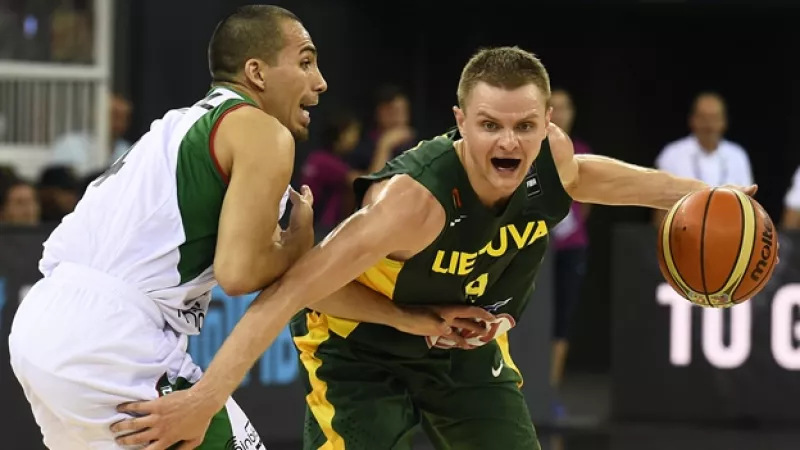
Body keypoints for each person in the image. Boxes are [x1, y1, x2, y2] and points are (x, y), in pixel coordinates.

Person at [111, 46, 757, 450]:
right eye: (491, 126)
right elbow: (290, 292)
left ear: (546, 126)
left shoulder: (553, 159)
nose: (509, 141)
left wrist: (701, 193)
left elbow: (590, 177)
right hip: (360, 350)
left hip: (465, 347)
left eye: (525, 126)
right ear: (460, 123)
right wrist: (204, 399)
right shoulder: (410, 205)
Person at [8, 5, 330, 449]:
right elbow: (239, 274)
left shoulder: (176, 126)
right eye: (305, 61)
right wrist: (298, 245)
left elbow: (306, 288)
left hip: (39, 327)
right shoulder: (261, 132)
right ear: (256, 72)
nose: (320, 82)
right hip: (112, 339)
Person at [547, 88, 593, 416]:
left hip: (570, 248)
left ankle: (549, 390)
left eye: (565, 107)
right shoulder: (528, 150)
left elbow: (587, 205)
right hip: (531, 249)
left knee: (562, 318)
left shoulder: (583, 152)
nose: (560, 113)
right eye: (554, 108)